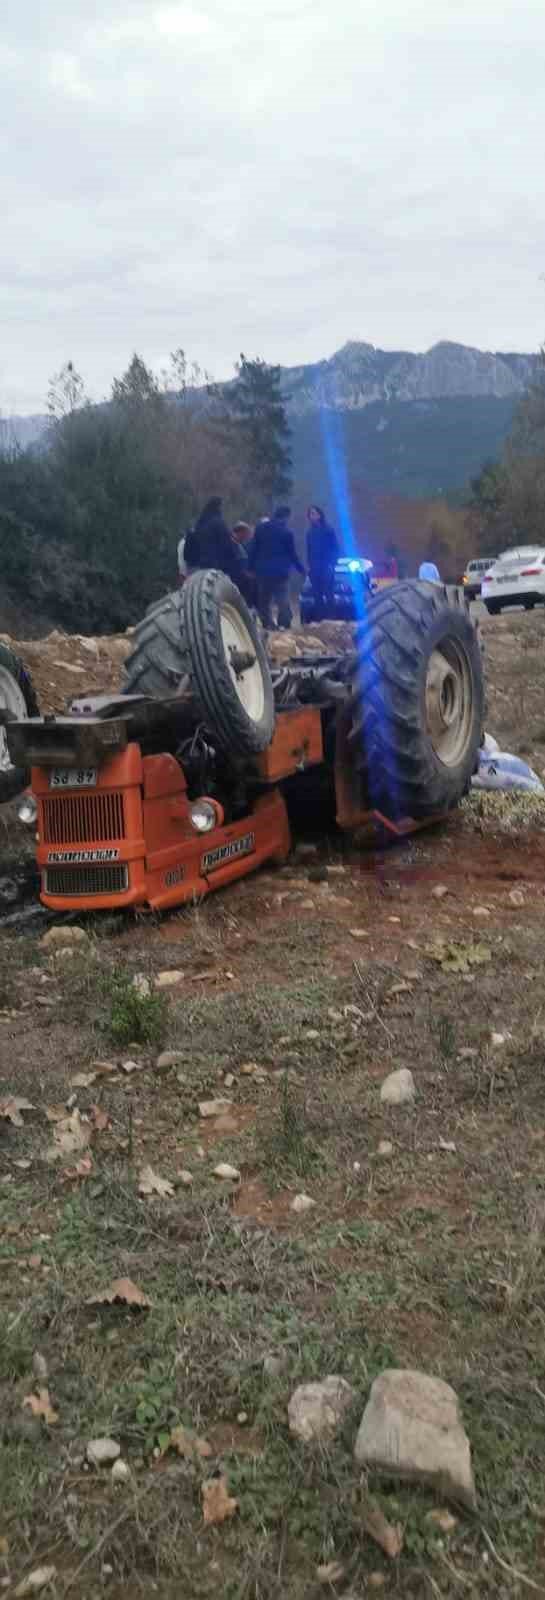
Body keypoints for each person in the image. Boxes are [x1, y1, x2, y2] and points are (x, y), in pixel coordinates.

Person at [184, 497, 251, 597]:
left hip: (197, 566)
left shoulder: (199, 524)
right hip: (214, 567)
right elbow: (227, 546)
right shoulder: (218, 523)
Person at [251, 506, 305, 628]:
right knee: (282, 599)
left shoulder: (260, 528)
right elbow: (292, 554)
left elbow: (254, 549)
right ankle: (284, 623)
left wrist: (250, 568)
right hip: (280, 572)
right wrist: (301, 569)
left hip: (263, 571)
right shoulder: (287, 532)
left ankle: (267, 623)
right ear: (286, 516)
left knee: (264, 600)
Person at [305, 505, 339, 619]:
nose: (311, 516)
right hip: (314, 567)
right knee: (317, 595)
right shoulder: (310, 532)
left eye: (313, 513)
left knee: (329, 594)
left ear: (319, 515)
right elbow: (309, 550)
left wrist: (332, 564)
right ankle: (320, 619)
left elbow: (335, 548)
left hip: (326, 566)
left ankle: (331, 618)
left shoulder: (328, 530)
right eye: (310, 514)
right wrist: (309, 565)